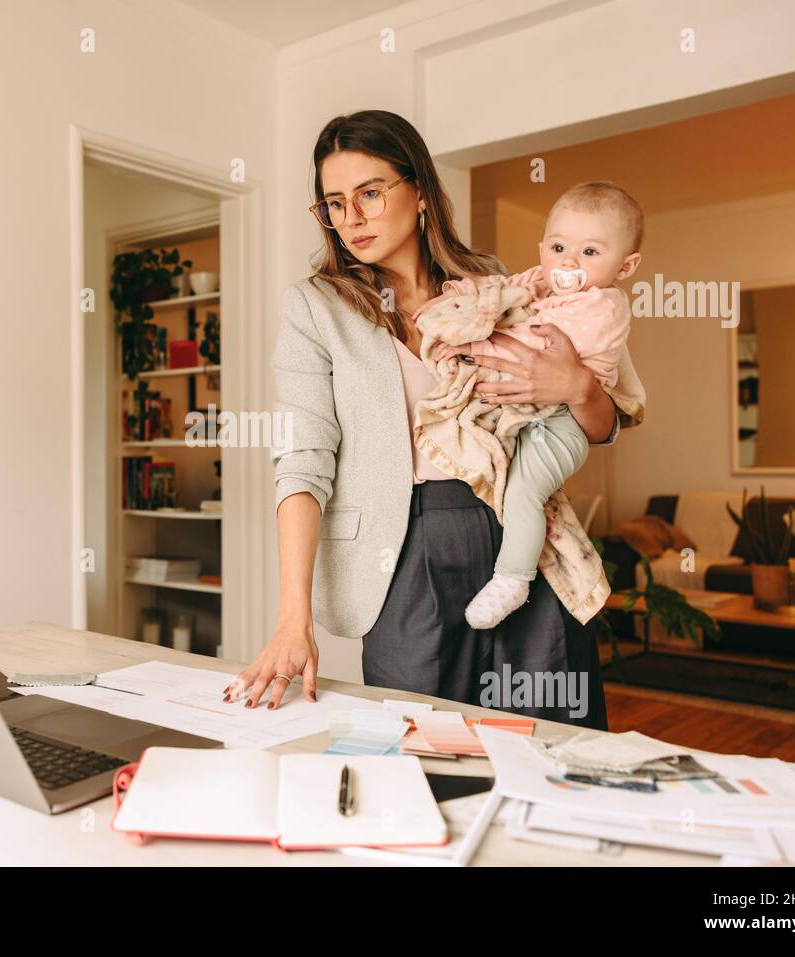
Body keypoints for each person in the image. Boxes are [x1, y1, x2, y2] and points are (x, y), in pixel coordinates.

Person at [222, 110, 646, 729]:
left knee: (556, 744)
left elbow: (605, 419)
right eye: (333, 203)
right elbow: (302, 463)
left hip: (523, 538)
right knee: (424, 754)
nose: (352, 218)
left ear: (419, 189)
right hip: (404, 556)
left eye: (369, 192)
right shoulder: (315, 309)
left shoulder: (499, 283)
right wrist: (294, 621)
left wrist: (575, 384)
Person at [416, 181, 644, 629]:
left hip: (561, 425)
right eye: (558, 247)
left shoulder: (603, 306)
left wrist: (476, 332)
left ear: (626, 266)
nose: (569, 262)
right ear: (543, 248)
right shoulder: (544, 282)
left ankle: (513, 579)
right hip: (519, 418)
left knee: (524, 490)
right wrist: (480, 297)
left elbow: (536, 341)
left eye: (591, 253)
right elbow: (509, 289)